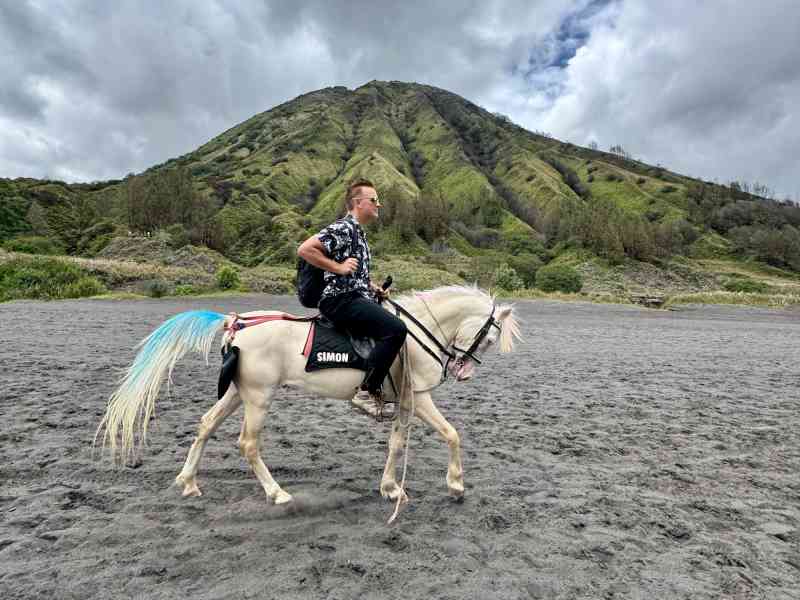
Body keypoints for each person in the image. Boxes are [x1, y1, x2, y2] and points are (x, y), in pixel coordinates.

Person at [297, 178, 407, 418]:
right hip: (340, 300)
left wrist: (373, 288)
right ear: (358, 203)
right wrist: (337, 267)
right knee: (396, 330)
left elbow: (354, 273)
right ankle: (365, 392)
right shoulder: (344, 228)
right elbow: (305, 249)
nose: (379, 205)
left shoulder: (358, 233)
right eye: (374, 200)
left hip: (354, 296)